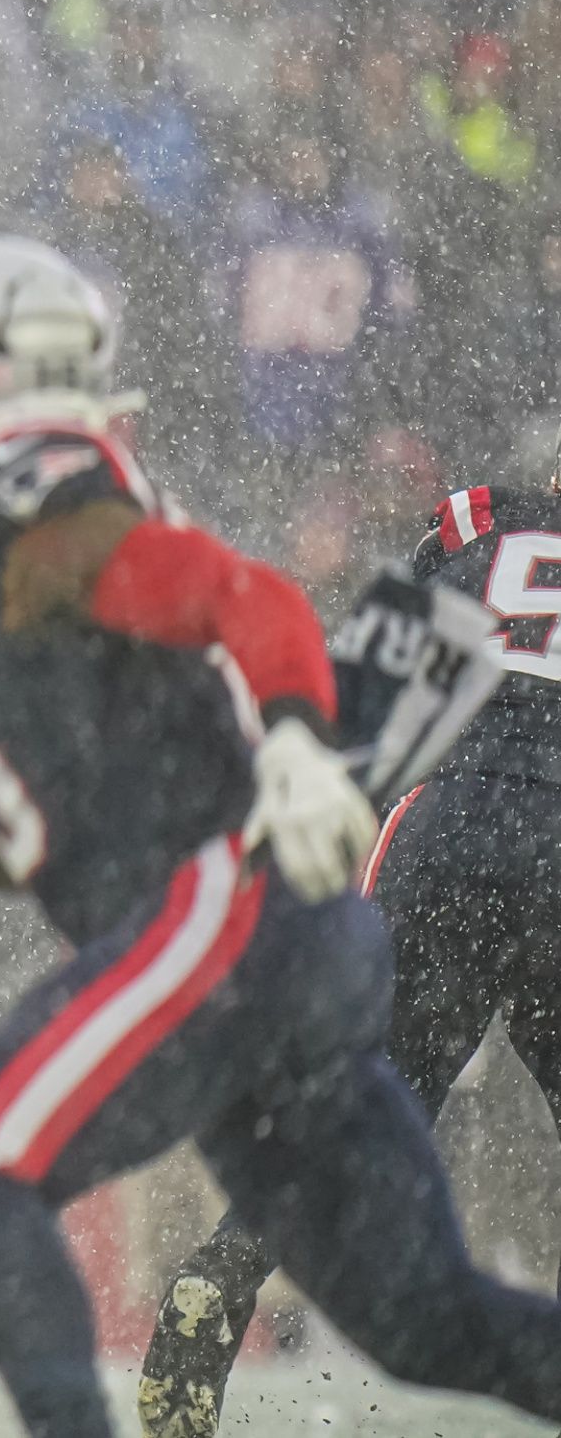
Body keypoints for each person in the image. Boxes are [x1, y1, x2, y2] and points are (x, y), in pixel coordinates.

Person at [0, 234, 561, 1438]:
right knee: (425, 1318)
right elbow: (30, 836)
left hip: (221, 911)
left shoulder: (15, 483)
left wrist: (298, 736)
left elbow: (245, 596)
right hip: (263, 918)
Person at [136, 475, 561, 1437]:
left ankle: (221, 1281)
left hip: (447, 822)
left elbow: (373, 680)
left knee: (361, 1111)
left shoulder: (485, 517)